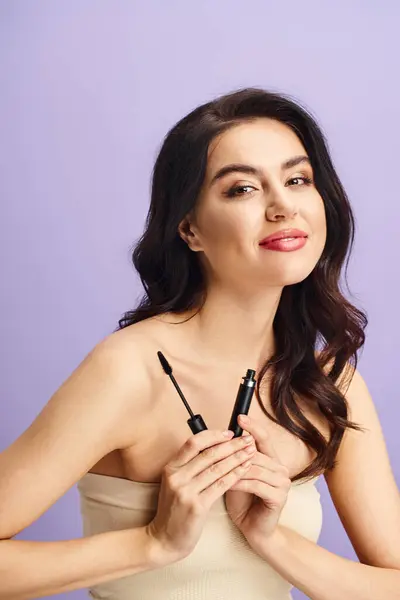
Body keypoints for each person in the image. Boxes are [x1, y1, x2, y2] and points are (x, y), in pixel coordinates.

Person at [1, 87, 399, 600]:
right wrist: (154, 543)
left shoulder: (326, 381)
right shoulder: (129, 370)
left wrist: (270, 540)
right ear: (189, 229)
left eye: (298, 179)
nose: (283, 207)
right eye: (242, 190)